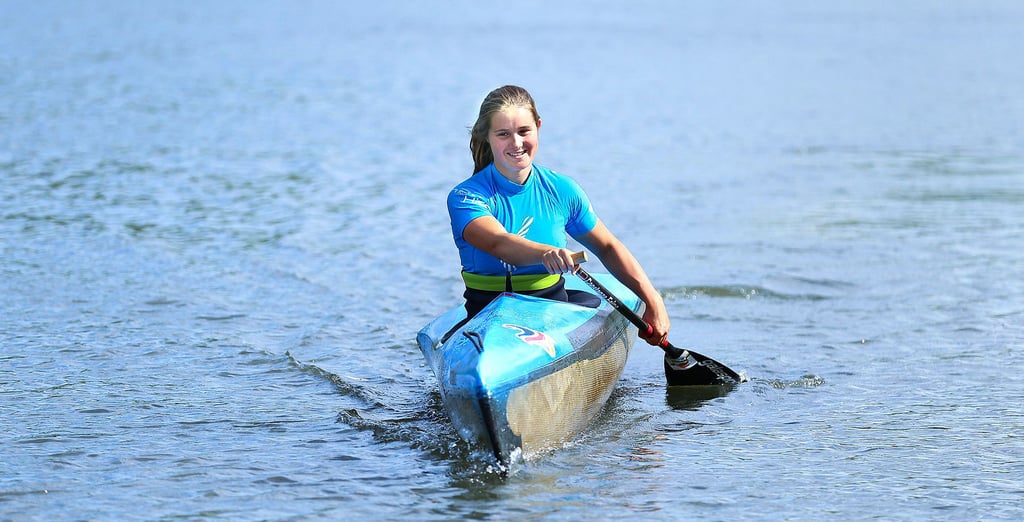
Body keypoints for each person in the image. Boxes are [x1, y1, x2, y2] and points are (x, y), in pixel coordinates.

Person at [446, 85, 670, 347]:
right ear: (487, 136)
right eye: (504, 134)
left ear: (538, 126)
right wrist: (545, 253)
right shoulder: (466, 196)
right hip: (485, 312)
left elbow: (608, 247)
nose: (516, 143)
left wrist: (653, 300)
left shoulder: (562, 191)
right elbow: (499, 243)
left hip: (551, 308)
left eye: (524, 131)